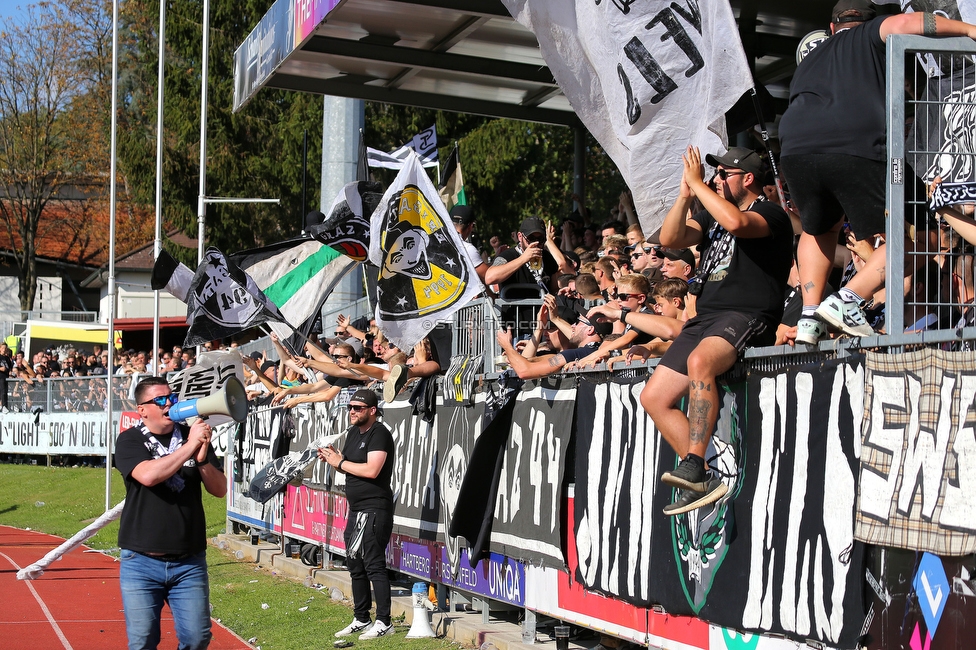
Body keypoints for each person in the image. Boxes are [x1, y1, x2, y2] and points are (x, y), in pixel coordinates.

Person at [779, 0, 976, 344]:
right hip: (852, 144)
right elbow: (907, 24)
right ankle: (847, 299)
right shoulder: (871, 33)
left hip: (795, 149)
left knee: (819, 228)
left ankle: (810, 315)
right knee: (926, 235)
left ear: (831, 28)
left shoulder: (812, 59)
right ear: (871, 20)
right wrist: (970, 31)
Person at [640, 145, 793, 516]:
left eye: (725, 174)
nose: (717, 179)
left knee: (700, 361)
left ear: (748, 179)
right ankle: (704, 477)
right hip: (705, 318)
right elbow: (670, 239)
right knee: (653, 398)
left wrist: (699, 184)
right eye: (716, 175)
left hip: (746, 313)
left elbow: (738, 224)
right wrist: (684, 193)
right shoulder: (711, 216)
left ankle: (693, 462)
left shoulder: (769, 213)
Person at [114, 376, 225, 650]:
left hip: (188, 561)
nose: (169, 404)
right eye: (160, 400)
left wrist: (201, 460)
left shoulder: (193, 437)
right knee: (143, 642)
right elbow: (149, 475)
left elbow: (219, 489)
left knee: (197, 638)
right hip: (141, 560)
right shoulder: (129, 441)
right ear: (142, 409)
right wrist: (189, 446)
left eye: (172, 398)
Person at [318, 389, 396, 640]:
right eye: (350, 407)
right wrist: (333, 458)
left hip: (375, 508)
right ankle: (361, 617)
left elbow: (372, 470)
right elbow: (350, 466)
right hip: (356, 508)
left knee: (374, 564)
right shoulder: (353, 432)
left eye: (358, 407)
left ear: (372, 411)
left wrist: (339, 463)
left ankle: (384, 621)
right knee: (354, 562)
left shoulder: (379, 433)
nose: (352, 411)